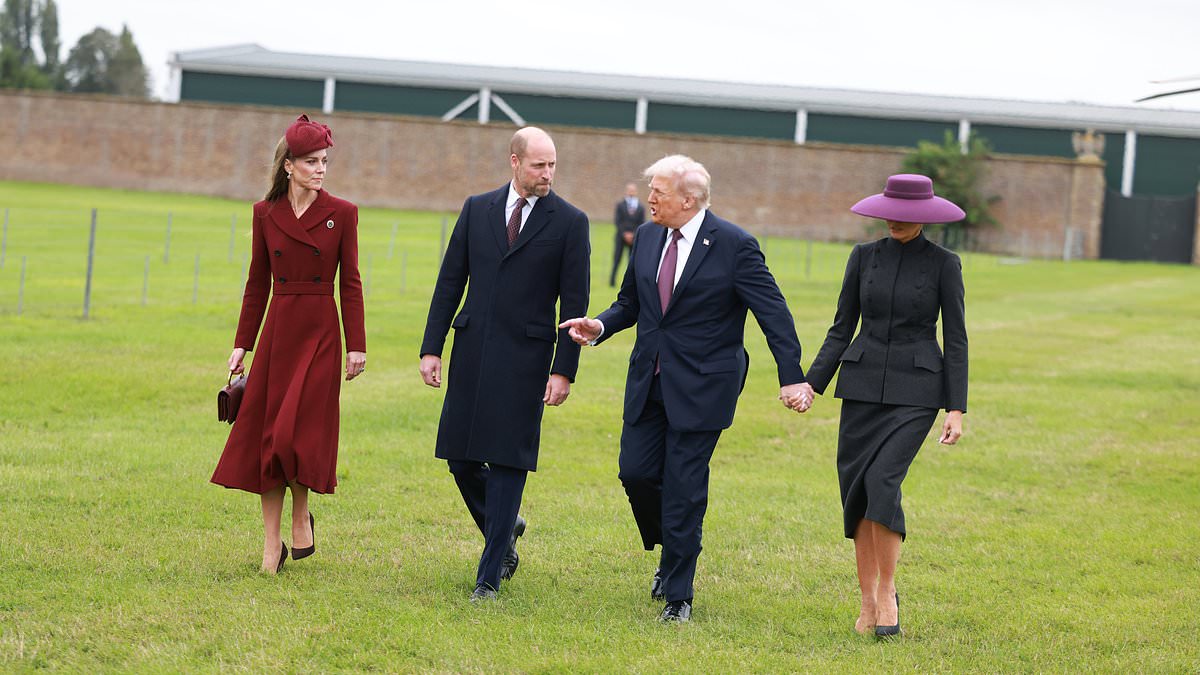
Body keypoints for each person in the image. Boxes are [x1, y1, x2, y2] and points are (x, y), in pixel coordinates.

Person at [560, 155, 813, 623]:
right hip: (648, 380)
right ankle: (672, 548)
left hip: (704, 387)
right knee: (634, 472)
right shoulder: (650, 235)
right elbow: (631, 303)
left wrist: (792, 374)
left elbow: (772, 312)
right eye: (650, 189)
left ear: (688, 199)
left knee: (684, 487)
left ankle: (678, 592)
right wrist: (600, 326)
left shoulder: (736, 246)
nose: (649, 198)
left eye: (658, 191)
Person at [419, 126, 590, 602]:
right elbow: (450, 281)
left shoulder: (570, 223)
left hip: (528, 361)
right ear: (514, 162)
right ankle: (506, 526)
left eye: (553, 164)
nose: (548, 174)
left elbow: (575, 304)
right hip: (472, 352)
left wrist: (564, 368)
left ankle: (489, 575)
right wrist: (431, 347)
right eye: (539, 165)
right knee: (460, 457)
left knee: (510, 461)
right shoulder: (477, 209)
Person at [804, 173, 968, 638]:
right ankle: (866, 598)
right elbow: (841, 327)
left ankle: (888, 591)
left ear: (924, 217)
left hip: (917, 392)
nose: (896, 220)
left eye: (906, 214)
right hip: (860, 387)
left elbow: (955, 338)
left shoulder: (945, 264)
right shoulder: (862, 258)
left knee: (882, 482)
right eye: (891, 212)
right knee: (857, 490)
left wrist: (956, 407)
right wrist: (812, 384)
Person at [211, 114, 367, 574]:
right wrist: (243, 343)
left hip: (321, 330)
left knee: (297, 436)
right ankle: (270, 544)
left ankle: (302, 515)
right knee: (270, 438)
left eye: (324, 161)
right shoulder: (265, 213)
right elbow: (256, 283)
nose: (321, 170)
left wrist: (356, 345)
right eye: (312, 162)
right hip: (279, 330)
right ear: (288, 166)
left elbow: (351, 284)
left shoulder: (343, 213)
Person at [611, 182, 645, 286]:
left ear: (636, 192)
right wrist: (624, 234)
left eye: (633, 190)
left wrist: (633, 235)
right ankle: (612, 280)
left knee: (632, 261)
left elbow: (641, 222)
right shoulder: (620, 205)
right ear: (626, 191)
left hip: (634, 238)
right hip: (621, 237)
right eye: (629, 190)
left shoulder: (640, 207)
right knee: (617, 259)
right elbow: (617, 221)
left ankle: (630, 282)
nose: (631, 192)